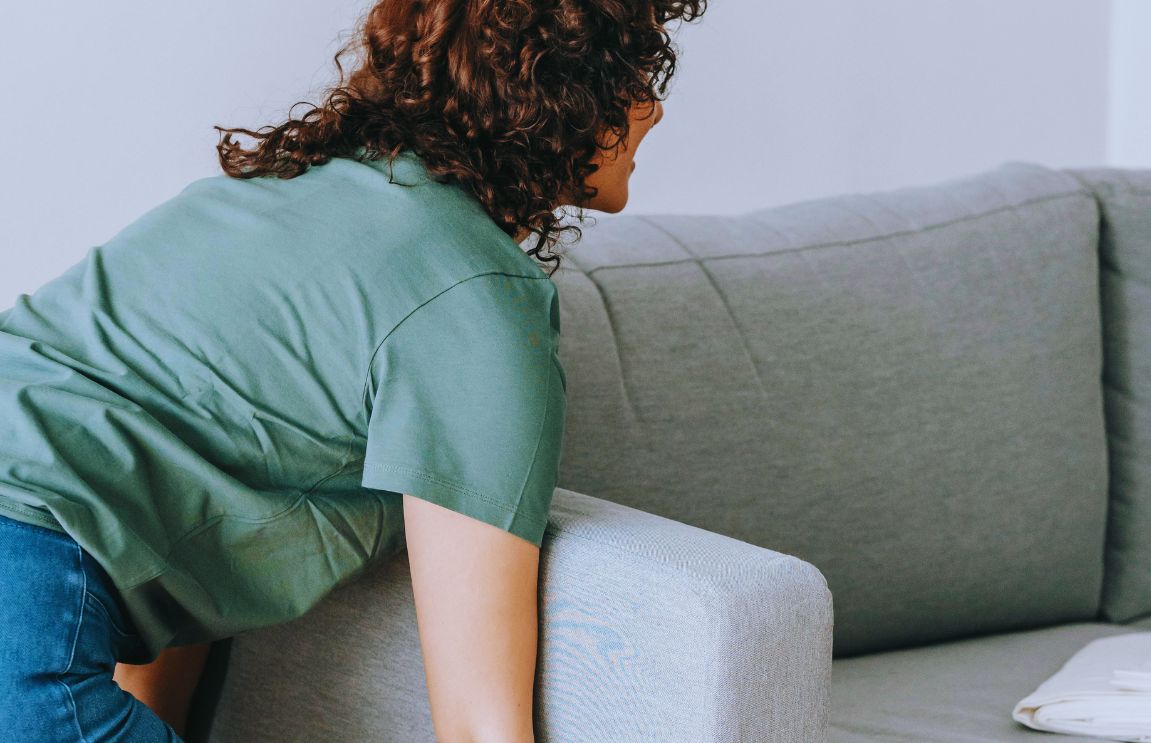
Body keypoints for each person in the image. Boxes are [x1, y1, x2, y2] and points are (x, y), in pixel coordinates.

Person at [0, 0, 705, 740]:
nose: (650, 108)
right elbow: (476, 723)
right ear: (554, 101)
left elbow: (166, 531)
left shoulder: (267, 193)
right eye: (627, 77)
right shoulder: (474, 301)